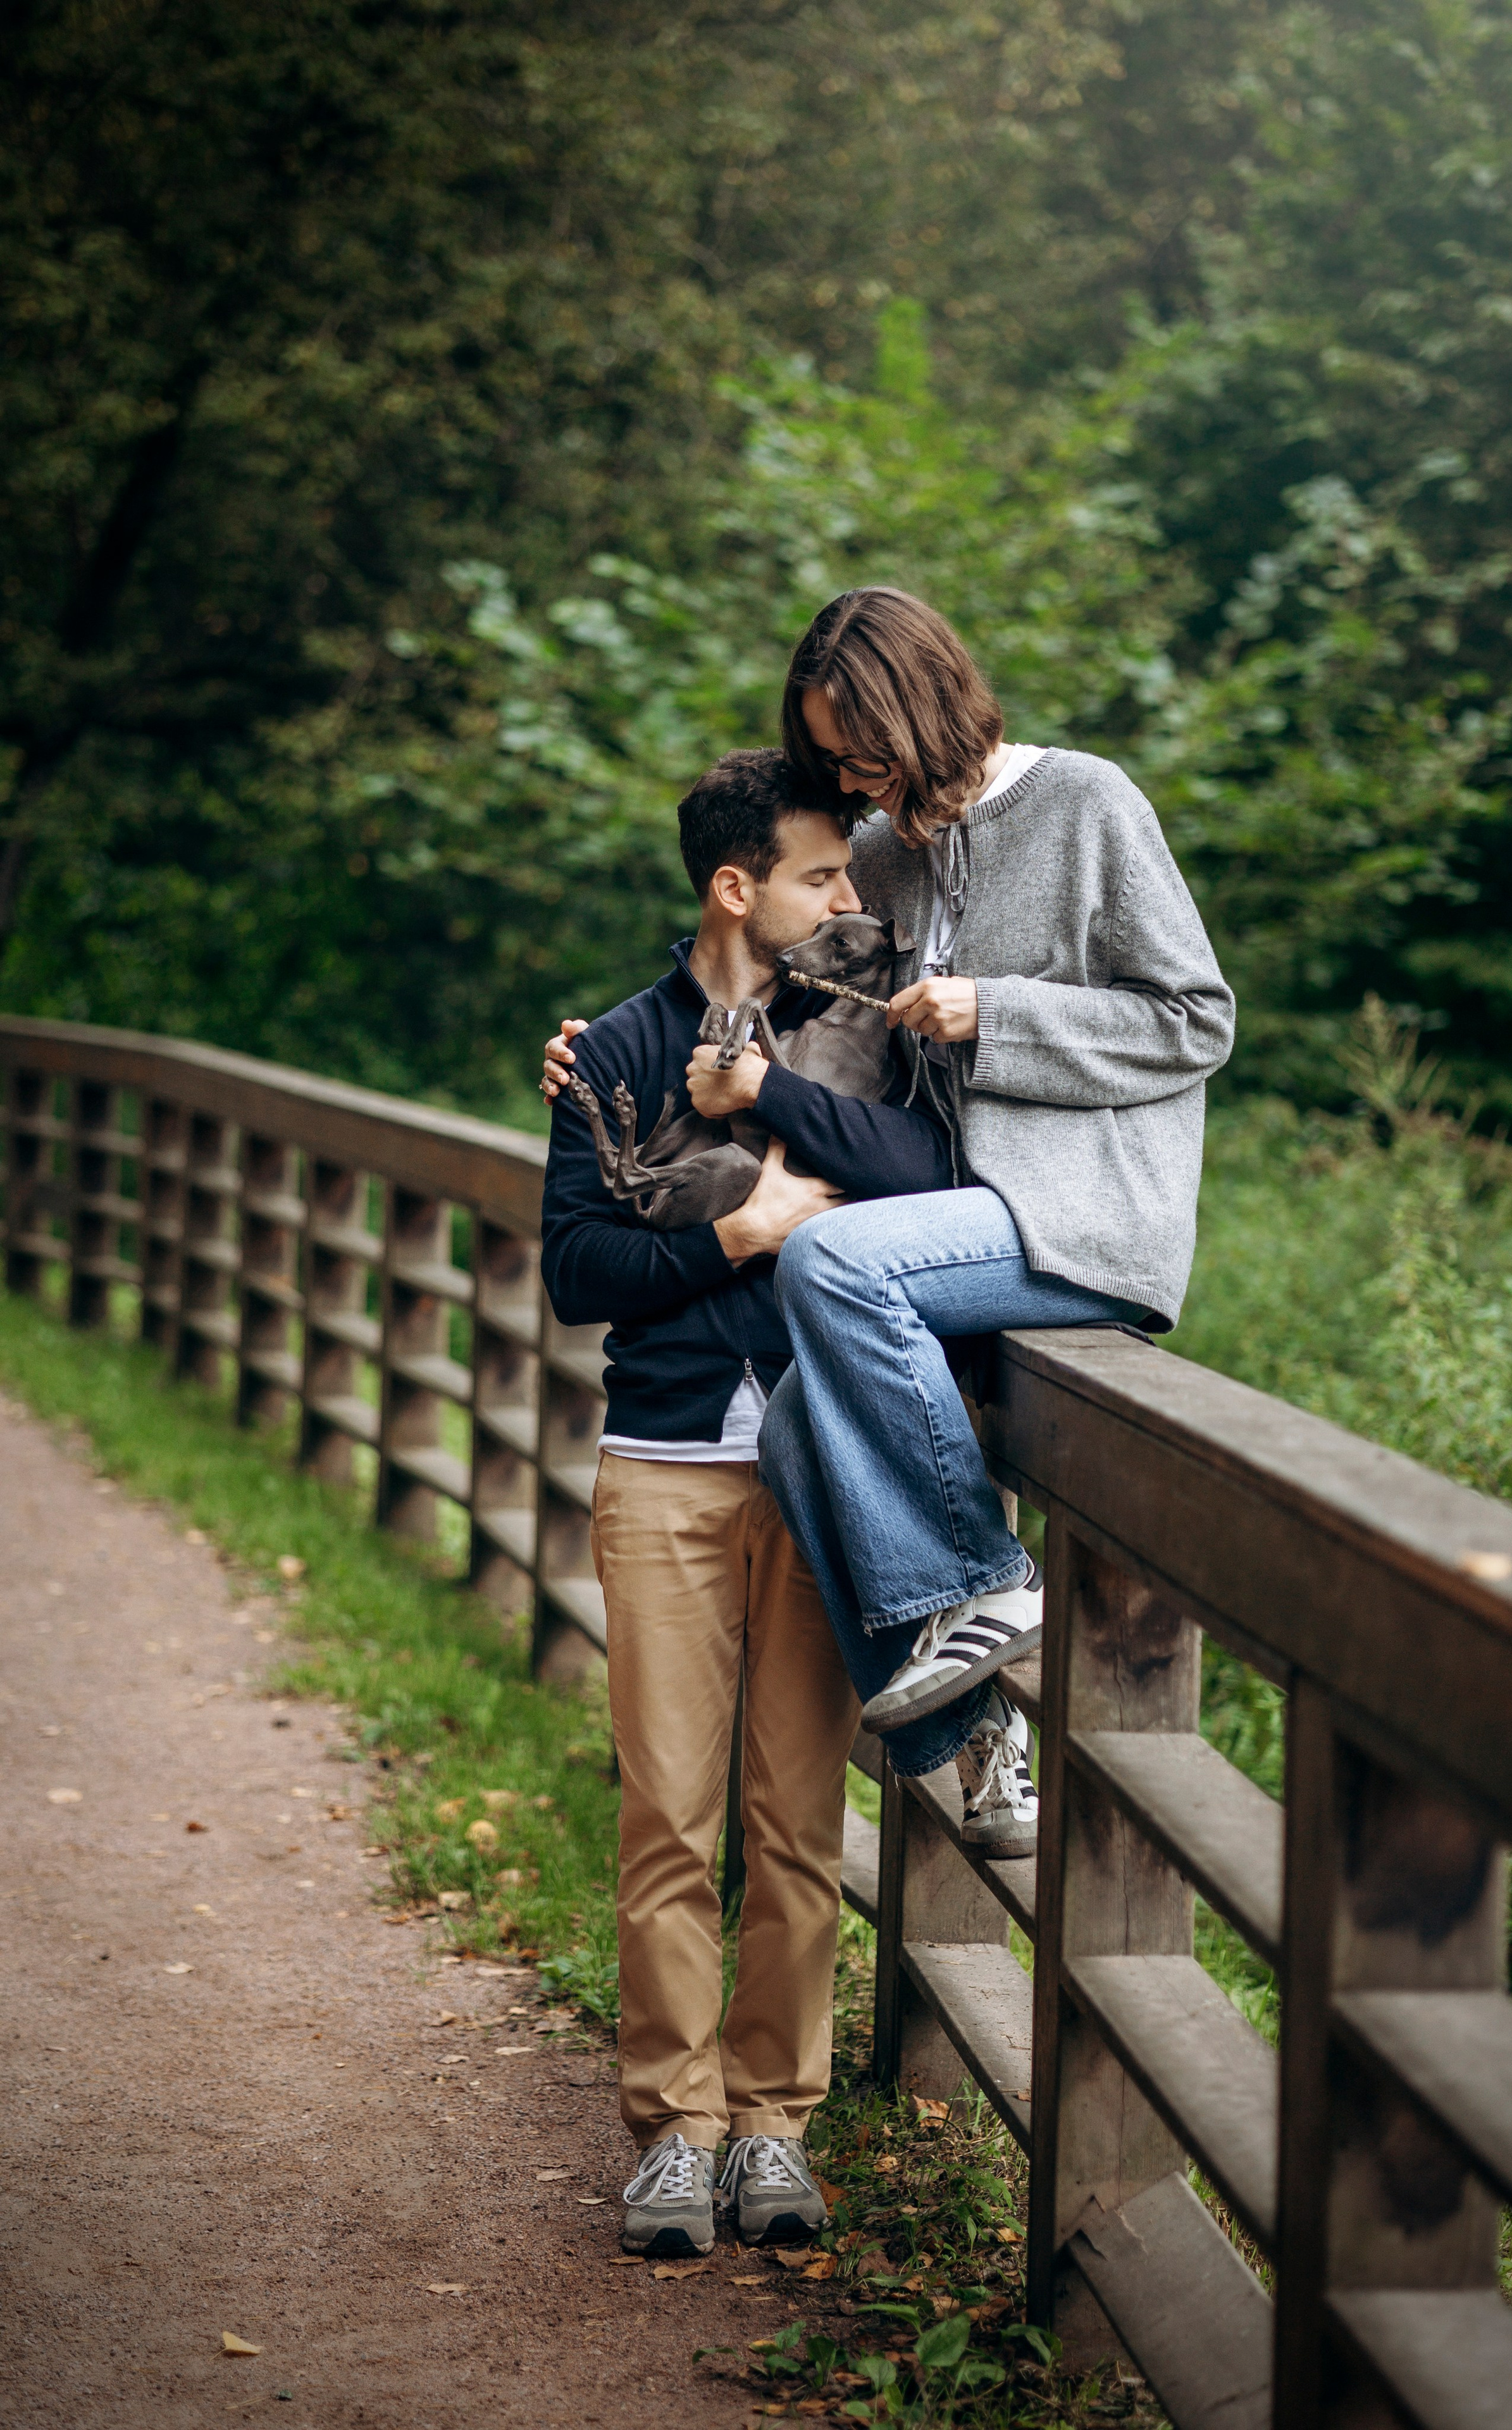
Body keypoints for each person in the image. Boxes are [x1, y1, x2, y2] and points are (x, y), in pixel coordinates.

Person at [539, 746, 958, 2262]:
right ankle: (672, 2131)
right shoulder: (616, 1050)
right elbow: (577, 1273)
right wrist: (750, 1232)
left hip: (826, 1468)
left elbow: (928, 1172)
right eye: (820, 874)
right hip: (663, 1466)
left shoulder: (859, 1040)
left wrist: (794, 1162)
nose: (849, 896)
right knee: (669, 1813)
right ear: (737, 889)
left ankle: (772, 2126)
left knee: (794, 1821)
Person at [752, 586, 1234, 1808]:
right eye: (831, 760)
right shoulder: (878, 854)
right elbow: (755, 969)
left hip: (1083, 1219)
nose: (853, 782)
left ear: (922, 708)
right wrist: (607, 1053)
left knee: (831, 1265)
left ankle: (986, 1578)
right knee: (796, 1427)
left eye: (863, 751)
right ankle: (970, 1751)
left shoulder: (1088, 803)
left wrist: (998, 1013)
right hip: (947, 1217)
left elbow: (1196, 1020)